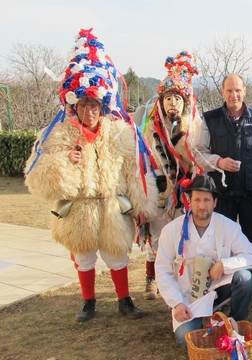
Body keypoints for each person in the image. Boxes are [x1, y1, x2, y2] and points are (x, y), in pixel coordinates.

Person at [24, 29, 159, 322]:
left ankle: (125, 300)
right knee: (84, 256)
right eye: (84, 104)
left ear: (103, 105)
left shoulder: (119, 133)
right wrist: (62, 161)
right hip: (79, 208)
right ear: (74, 105)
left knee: (117, 254)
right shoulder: (59, 134)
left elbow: (134, 170)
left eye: (94, 104)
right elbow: (36, 172)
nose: (89, 110)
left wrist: (142, 205)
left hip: (111, 206)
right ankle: (88, 303)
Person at [195, 74, 252, 306]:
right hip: (222, 195)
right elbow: (199, 153)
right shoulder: (210, 119)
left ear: (245, 91)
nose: (234, 95)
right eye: (229, 91)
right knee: (221, 244)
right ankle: (225, 290)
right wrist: (218, 162)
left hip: (251, 193)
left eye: (238, 90)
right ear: (222, 92)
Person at [155, 174, 252, 347]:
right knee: (187, 340)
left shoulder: (228, 226)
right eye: (197, 200)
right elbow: (162, 271)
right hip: (187, 297)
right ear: (189, 201)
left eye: (206, 200)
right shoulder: (171, 230)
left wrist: (224, 265)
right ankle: (202, 322)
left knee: (245, 278)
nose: (201, 206)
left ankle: (236, 324)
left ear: (215, 202)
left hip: (218, 290)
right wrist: (177, 303)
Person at [140, 51, 200, 300]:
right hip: (160, 190)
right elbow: (141, 162)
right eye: (168, 98)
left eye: (178, 98)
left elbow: (199, 159)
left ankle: (181, 279)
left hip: (185, 192)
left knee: (184, 237)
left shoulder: (195, 127)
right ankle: (152, 277)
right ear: (160, 102)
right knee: (157, 236)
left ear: (185, 102)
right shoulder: (149, 130)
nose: (173, 103)